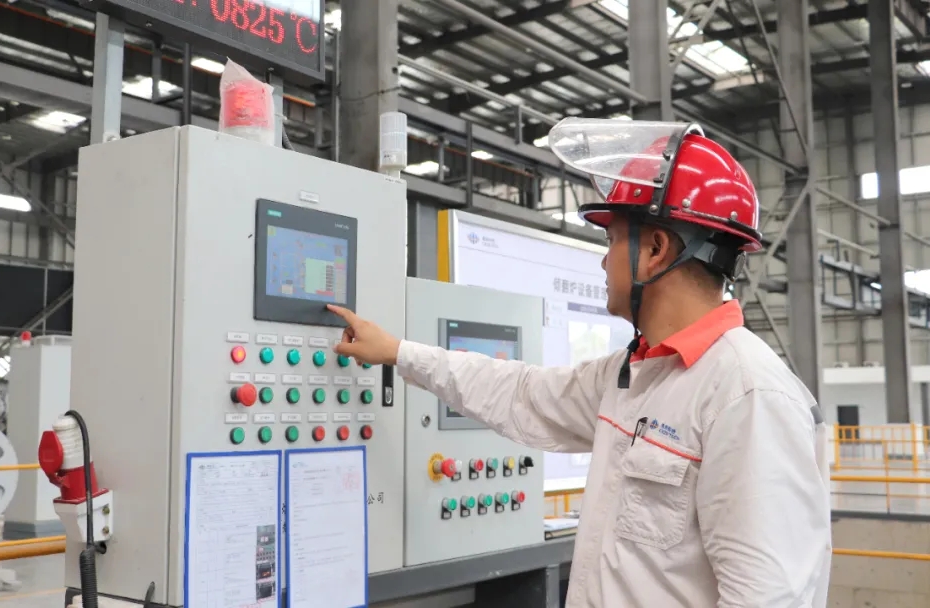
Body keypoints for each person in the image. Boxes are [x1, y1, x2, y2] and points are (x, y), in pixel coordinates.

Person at [328, 118, 833, 607]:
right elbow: (520, 392)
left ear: (655, 249)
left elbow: (768, 596)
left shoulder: (747, 395)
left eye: (612, 240)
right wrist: (398, 352)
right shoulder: (634, 376)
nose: (604, 260)